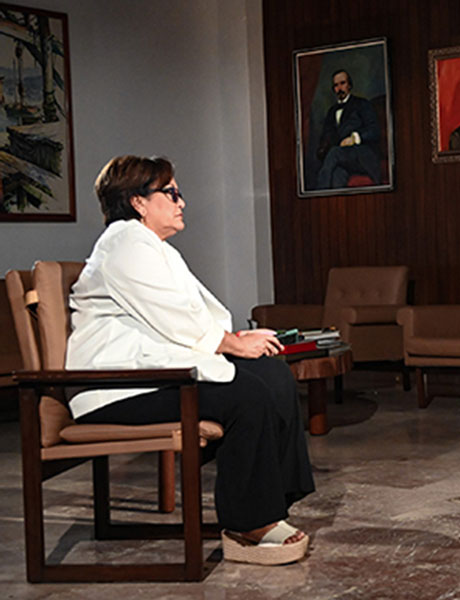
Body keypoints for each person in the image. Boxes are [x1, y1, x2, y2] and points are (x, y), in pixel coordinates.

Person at [66, 155, 315, 565]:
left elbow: (191, 313)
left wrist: (236, 338)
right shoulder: (124, 241)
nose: (181, 202)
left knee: (270, 370)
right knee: (246, 394)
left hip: (153, 371)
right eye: (171, 193)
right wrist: (231, 345)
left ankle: (272, 503)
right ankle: (248, 525)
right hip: (116, 386)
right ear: (138, 202)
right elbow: (172, 316)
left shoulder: (153, 246)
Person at [316, 69, 381, 189]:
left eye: (342, 83)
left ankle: (317, 193)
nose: (339, 88)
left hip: (362, 156)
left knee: (334, 154)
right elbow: (326, 134)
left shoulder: (362, 104)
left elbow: (375, 130)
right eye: (336, 85)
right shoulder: (331, 111)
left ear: (349, 85)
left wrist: (354, 138)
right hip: (342, 158)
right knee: (337, 175)